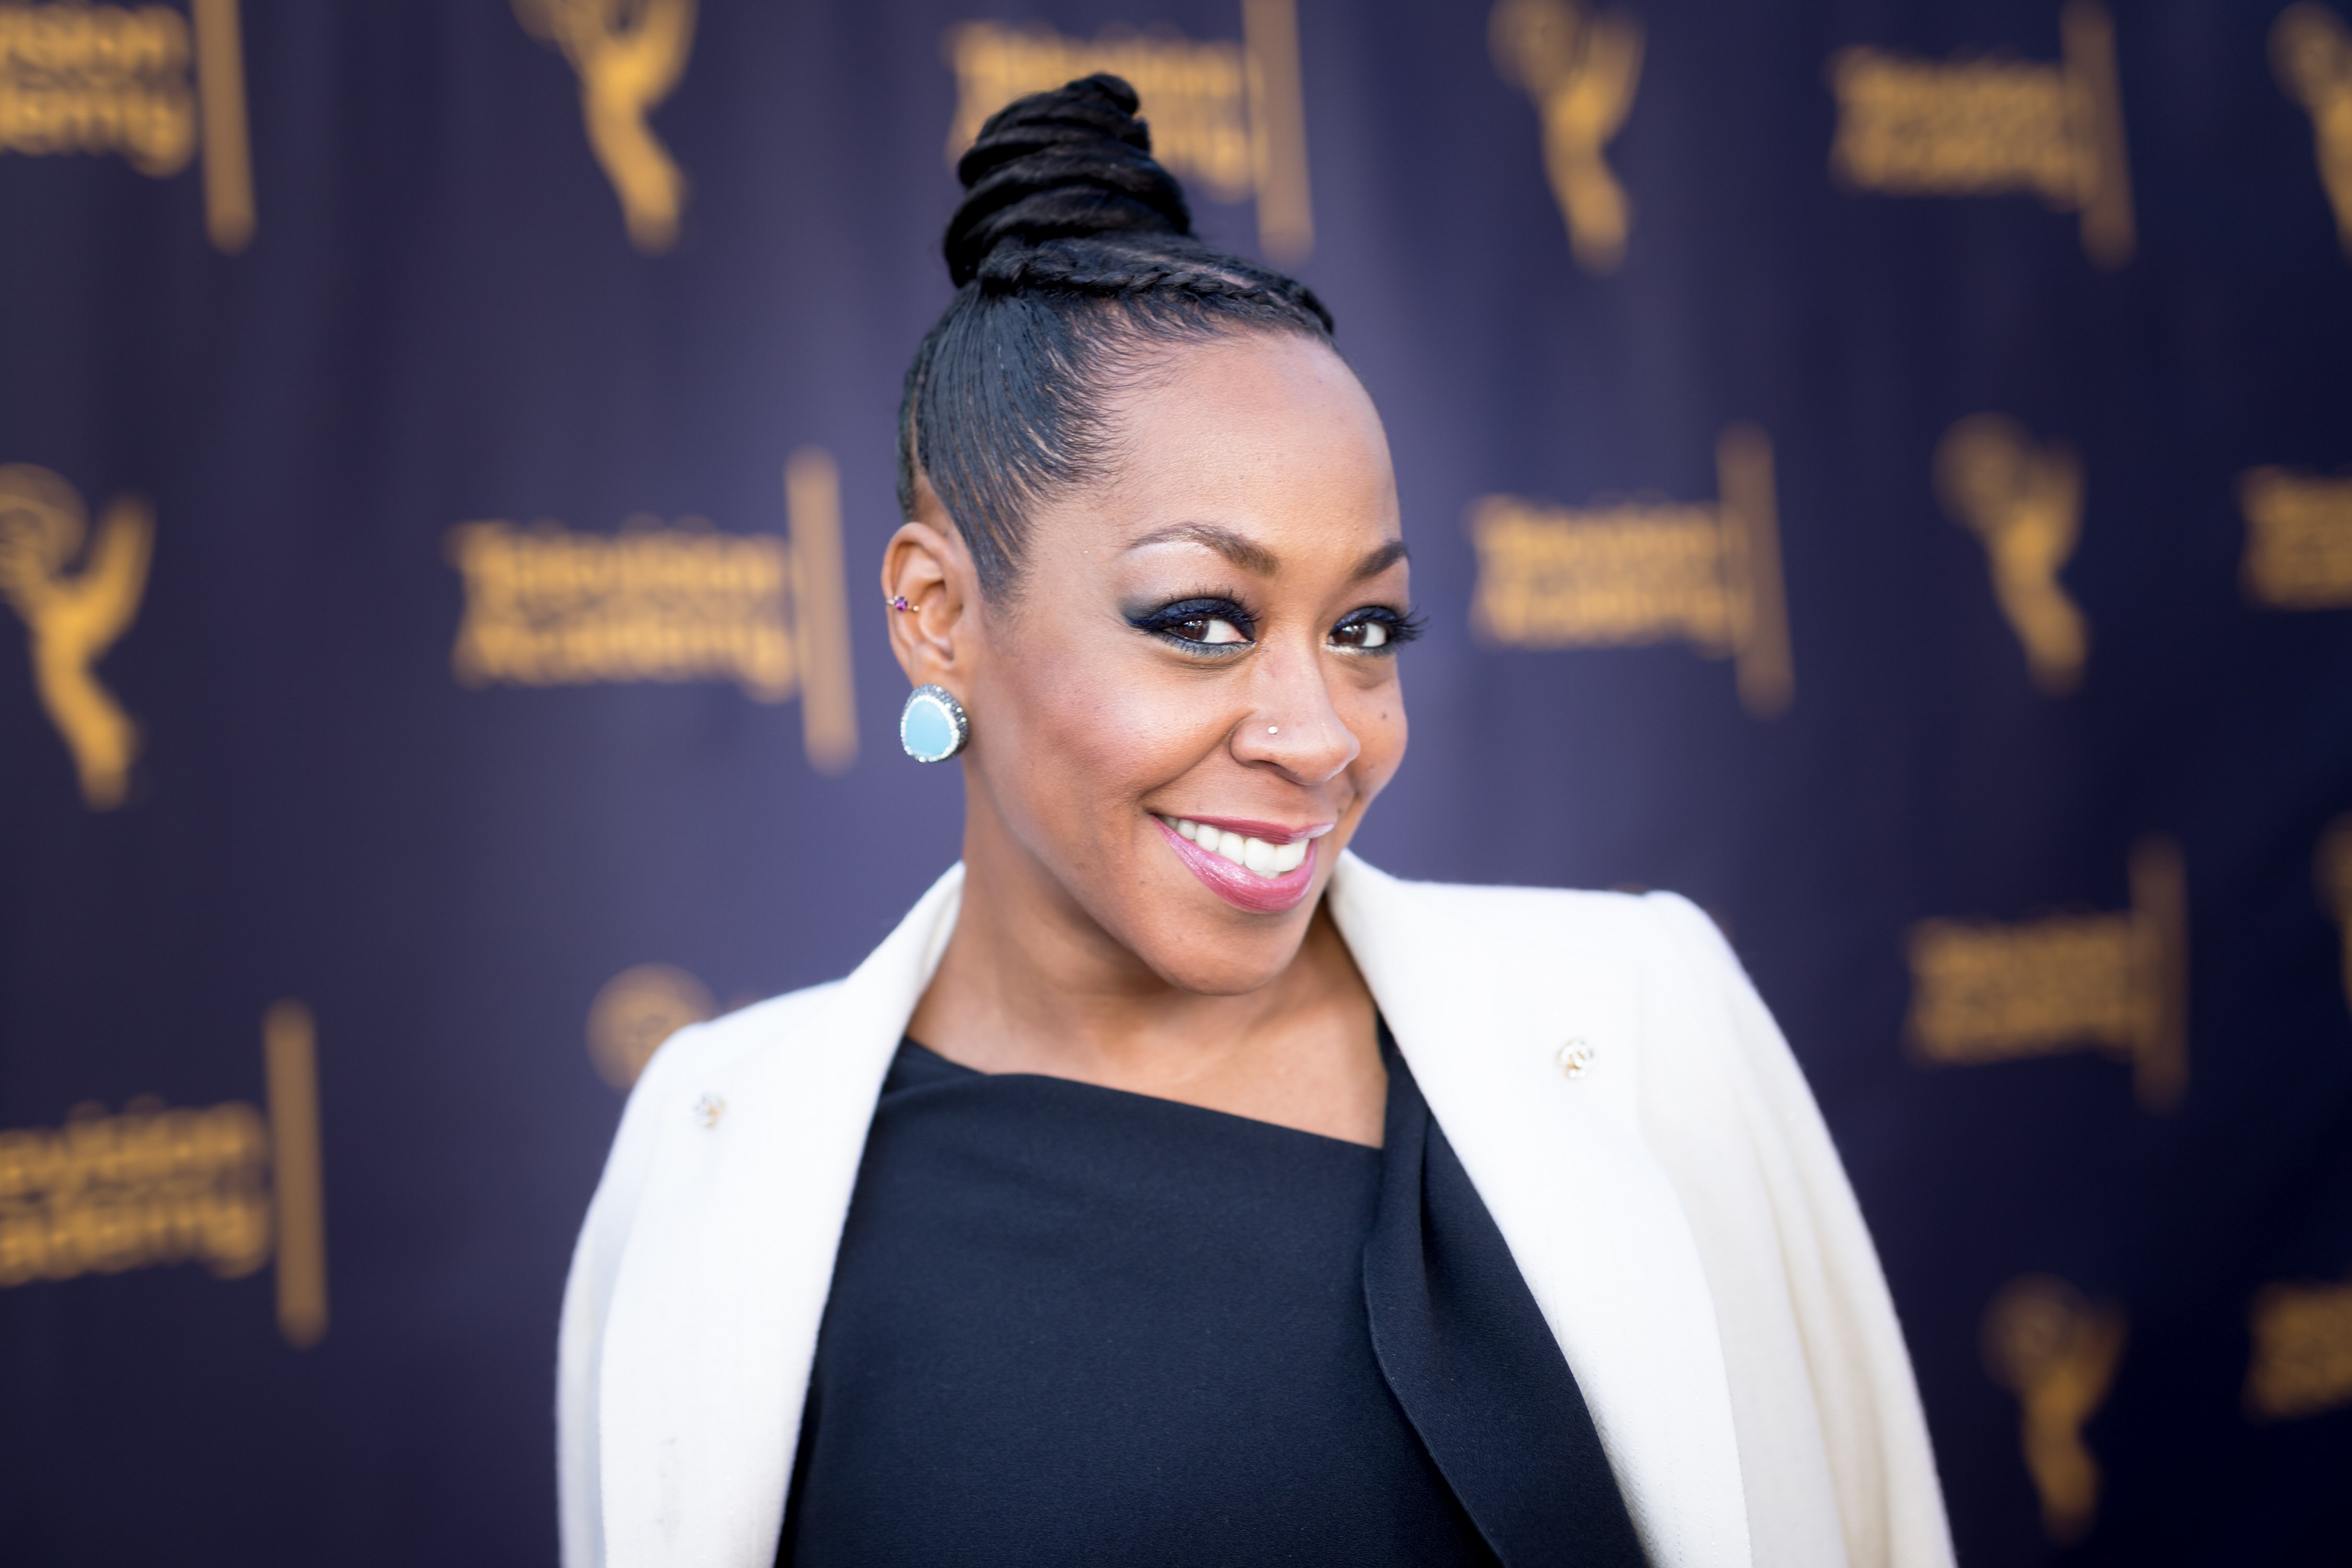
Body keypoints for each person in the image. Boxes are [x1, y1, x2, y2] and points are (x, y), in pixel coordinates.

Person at [558, 74, 1954, 1568]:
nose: (1317, 735)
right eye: (1202, 620)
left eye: (1366, 630)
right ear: (935, 614)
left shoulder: (1639, 1022)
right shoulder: (716, 1151)